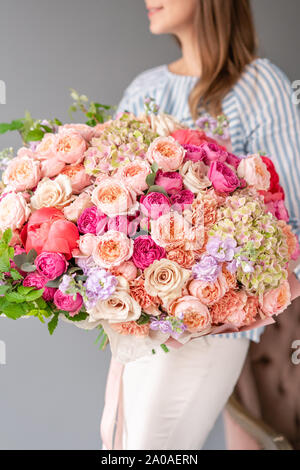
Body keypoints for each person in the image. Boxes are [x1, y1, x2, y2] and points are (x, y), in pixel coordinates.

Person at [115, 0, 300, 450]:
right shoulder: (146, 88)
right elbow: (111, 200)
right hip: (142, 324)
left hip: (222, 323)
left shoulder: (260, 85)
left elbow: (290, 220)